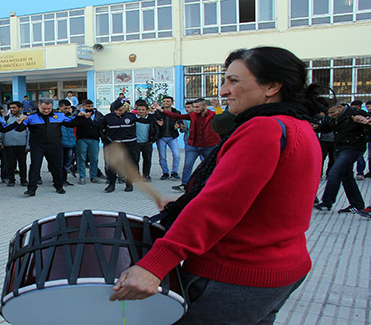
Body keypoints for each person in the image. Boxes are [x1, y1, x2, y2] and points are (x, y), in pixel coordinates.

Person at [109, 46, 324, 324]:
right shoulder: (298, 125)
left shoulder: (263, 128)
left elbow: (218, 207)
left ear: (272, 86)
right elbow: (266, 199)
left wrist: (156, 264)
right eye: (225, 80)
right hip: (281, 270)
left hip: (235, 275)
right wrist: (186, 202)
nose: (223, 91)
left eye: (233, 81)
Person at [313, 102, 370, 213]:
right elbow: (327, 127)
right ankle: (357, 204)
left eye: (333, 112)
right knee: (346, 176)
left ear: (340, 107)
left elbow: (368, 127)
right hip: (339, 147)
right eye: (329, 113)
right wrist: (317, 127)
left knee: (334, 173)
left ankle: (327, 202)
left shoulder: (355, 113)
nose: (331, 115)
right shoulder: (332, 117)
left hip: (353, 147)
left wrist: (365, 123)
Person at [16, 98, 79, 196]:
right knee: (35, 167)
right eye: (44, 108)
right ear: (39, 106)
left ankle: (59, 186)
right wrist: (19, 121)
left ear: (52, 107)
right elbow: (19, 129)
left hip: (55, 145)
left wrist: (80, 117)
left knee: (56, 167)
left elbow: (71, 124)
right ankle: (31, 189)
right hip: (37, 146)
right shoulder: (31, 116)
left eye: (48, 109)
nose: (46, 111)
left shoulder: (59, 115)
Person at [161, 98, 221, 192]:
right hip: (194, 145)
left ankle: (212, 185)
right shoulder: (193, 115)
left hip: (209, 145)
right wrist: (161, 110)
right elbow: (177, 116)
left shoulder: (213, 115)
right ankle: (184, 185)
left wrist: (217, 107)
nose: (195, 109)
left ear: (205, 106)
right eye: (194, 107)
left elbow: (222, 117)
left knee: (212, 165)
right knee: (188, 165)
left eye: (197, 107)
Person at [73, 99, 104, 184]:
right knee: (81, 158)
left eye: (91, 106)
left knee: (94, 159)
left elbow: (102, 123)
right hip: (81, 139)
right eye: (88, 106)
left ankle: (93, 176)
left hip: (94, 139)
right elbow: (73, 118)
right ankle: (82, 177)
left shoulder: (97, 114)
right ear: (83, 106)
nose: (90, 108)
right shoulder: (78, 113)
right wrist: (80, 116)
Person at [153, 96, 182, 180]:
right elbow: (154, 121)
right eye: (164, 101)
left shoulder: (176, 112)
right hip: (161, 137)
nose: (166, 103)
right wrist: (158, 124)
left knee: (176, 155)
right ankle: (165, 172)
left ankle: (174, 172)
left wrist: (179, 125)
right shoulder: (158, 112)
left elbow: (180, 121)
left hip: (172, 137)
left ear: (172, 103)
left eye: (168, 101)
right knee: (162, 156)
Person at [1, 101, 29, 187]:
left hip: (21, 144)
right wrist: (1, 142)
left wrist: (28, 145)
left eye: (14, 107)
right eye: (11, 108)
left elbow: (29, 133)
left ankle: (23, 180)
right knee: (10, 163)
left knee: (22, 163)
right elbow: (2, 131)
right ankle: (11, 180)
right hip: (8, 144)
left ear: (20, 108)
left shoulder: (25, 118)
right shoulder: (6, 118)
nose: (12, 109)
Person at [134, 99, 162, 181]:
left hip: (147, 143)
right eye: (139, 109)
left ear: (147, 110)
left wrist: (153, 140)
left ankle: (146, 175)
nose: (141, 111)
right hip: (136, 143)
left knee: (147, 160)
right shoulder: (133, 118)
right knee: (135, 160)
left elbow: (157, 130)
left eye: (143, 110)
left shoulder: (151, 119)